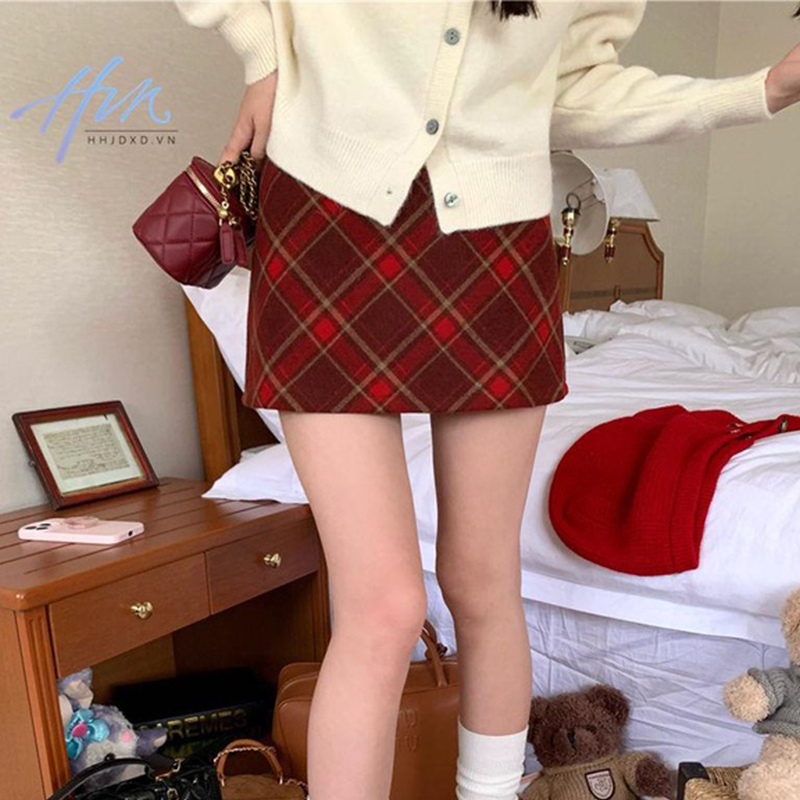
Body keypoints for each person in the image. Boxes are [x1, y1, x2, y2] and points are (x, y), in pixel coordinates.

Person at [173, 2, 800, 799]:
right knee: (384, 606)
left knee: (481, 581)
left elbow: (577, 88)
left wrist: (761, 90)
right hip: (324, 227)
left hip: (495, 249)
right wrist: (262, 54)